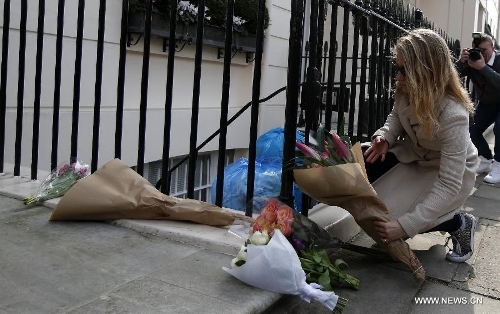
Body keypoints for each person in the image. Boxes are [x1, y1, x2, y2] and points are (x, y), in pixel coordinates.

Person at [363, 29, 479, 263]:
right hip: (416, 157)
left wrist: (407, 225)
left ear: (425, 73)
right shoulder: (407, 90)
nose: (397, 76)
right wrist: (385, 136)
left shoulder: (453, 115)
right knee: (365, 166)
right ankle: (408, 215)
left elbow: (448, 185)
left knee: (396, 222)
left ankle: (459, 223)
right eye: (397, 68)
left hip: (448, 172)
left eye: (403, 70)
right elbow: (396, 116)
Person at [455, 32, 500, 183]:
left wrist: (483, 68)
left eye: (484, 51)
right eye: (478, 50)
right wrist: (461, 61)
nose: (481, 54)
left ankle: (498, 165)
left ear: (493, 48)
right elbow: (452, 76)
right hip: (487, 103)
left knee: (499, 129)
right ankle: (486, 160)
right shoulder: (472, 61)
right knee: (472, 129)